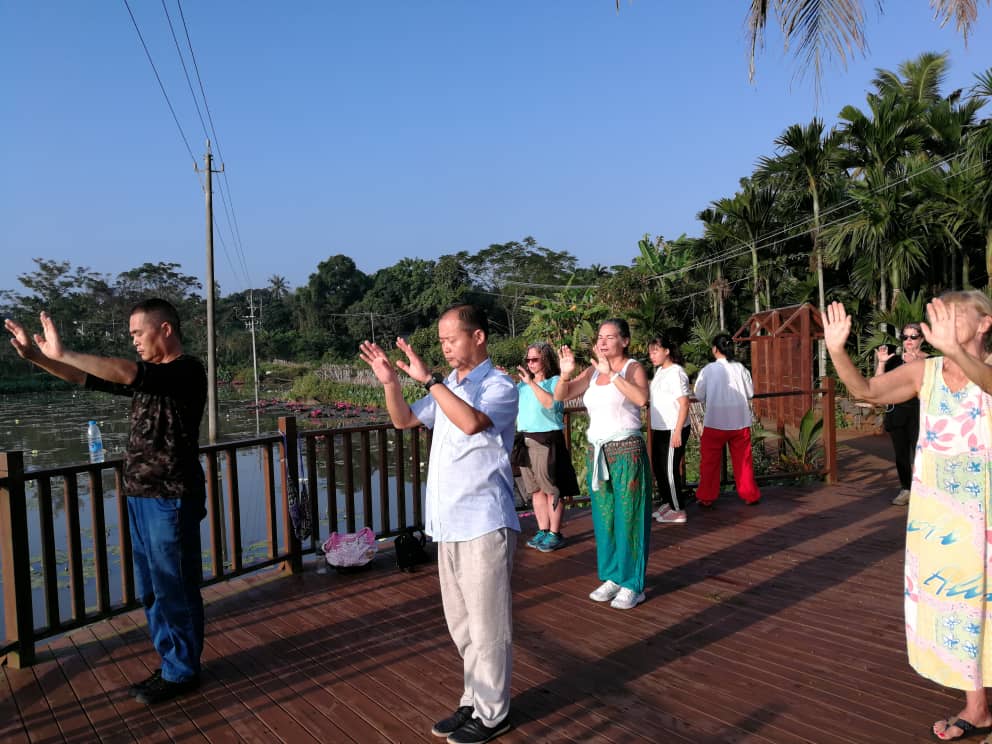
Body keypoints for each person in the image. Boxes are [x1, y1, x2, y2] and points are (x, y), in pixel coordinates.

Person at [5, 300, 207, 705]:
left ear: (165, 329)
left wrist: (62, 350)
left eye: (137, 332)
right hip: (139, 495)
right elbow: (86, 378)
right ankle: (171, 662)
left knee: (174, 587)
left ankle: (182, 671)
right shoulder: (148, 379)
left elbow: (128, 371)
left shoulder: (186, 370)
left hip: (170, 497)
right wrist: (37, 358)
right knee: (152, 588)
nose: (132, 340)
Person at [824, 292, 992, 742]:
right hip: (941, 517)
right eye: (938, 314)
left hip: (989, 512)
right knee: (958, 604)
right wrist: (838, 351)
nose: (941, 321)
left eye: (954, 315)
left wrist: (958, 352)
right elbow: (865, 391)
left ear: (984, 324)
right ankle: (978, 707)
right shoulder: (927, 372)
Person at [358, 304, 518, 744]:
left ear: (479, 337)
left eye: (452, 338)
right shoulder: (448, 388)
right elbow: (404, 419)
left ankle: (493, 712)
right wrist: (392, 383)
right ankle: (473, 700)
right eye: (442, 340)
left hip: (485, 522)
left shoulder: (499, 385)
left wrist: (429, 379)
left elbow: (471, 423)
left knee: (489, 626)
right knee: (463, 625)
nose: (445, 346)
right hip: (448, 524)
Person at [554, 319, 651, 610]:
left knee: (630, 519)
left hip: (627, 451)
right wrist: (564, 374)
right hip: (599, 451)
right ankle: (612, 576)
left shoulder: (632, 368)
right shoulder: (593, 370)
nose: (604, 342)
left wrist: (614, 374)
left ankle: (633, 583)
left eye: (611, 337)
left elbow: (642, 399)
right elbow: (561, 397)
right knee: (605, 518)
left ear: (625, 341)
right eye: (600, 337)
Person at [512, 341, 579, 553]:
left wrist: (532, 383)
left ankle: (555, 532)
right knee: (536, 491)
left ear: (545, 360)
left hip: (546, 440)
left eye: (535, 359)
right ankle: (543, 529)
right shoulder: (521, 386)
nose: (530, 363)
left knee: (552, 490)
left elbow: (551, 404)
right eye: (528, 360)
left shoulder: (554, 382)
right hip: (526, 439)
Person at [693, 333, 761, 507]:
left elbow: (699, 395)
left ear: (715, 349)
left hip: (715, 422)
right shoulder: (741, 368)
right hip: (739, 421)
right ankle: (749, 495)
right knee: (743, 461)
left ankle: (707, 496)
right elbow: (750, 393)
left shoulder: (708, 370)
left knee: (709, 462)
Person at [874, 323, 928, 506]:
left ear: (922, 338)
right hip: (897, 412)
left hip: (921, 412)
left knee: (923, 454)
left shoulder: (930, 360)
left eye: (913, 337)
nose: (909, 341)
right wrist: (881, 363)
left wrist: (917, 365)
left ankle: (925, 491)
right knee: (901, 455)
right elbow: (878, 384)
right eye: (905, 337)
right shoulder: (894, 360)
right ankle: (906, 488)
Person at [647, 332, 692, 524]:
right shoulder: (660, 371)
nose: (652, 355)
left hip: (674, 428)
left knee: (669, 469)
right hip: (660, 428)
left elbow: (684, 404)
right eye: (650, 352)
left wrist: (677, 431)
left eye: (655, 351)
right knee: (659, 468)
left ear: (667, 351)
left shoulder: (676, 372)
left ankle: (678, 509)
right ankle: (668, 502)